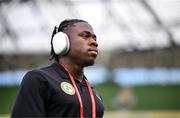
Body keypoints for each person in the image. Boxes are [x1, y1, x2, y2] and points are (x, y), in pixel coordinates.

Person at [11, 18, 104, 118]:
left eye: (95, 38)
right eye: (85, 36)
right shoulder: (39, 79)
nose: (94, 42)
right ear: (61, 42)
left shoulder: (94, 93)